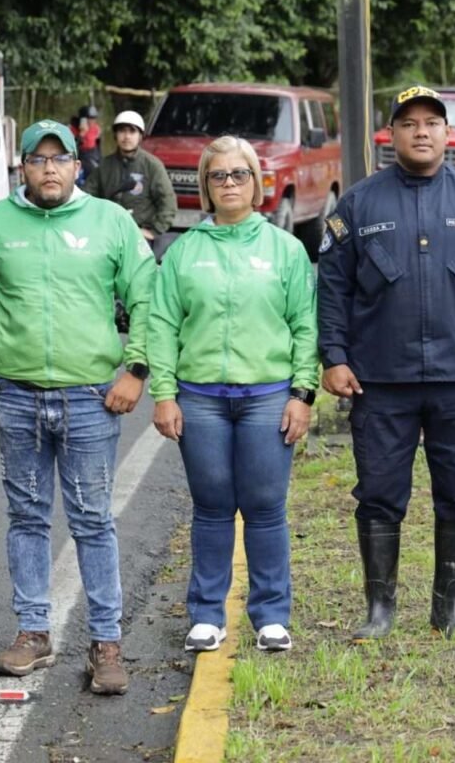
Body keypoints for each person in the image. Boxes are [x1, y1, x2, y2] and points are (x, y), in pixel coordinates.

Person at [316, 85, 455, 643]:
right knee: (379, 495)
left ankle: (450, 611)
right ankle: (379, 612)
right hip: (380, 381)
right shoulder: (358, 204)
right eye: (408, 123)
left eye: (431, 122)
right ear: (391, 134)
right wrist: (333, 356)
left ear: (446, 132)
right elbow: (333, 287)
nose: (421, 132)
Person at [0, 119, 155, 695]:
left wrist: (137, 370)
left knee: (93, 519)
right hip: (16, 395)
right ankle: (33, 632)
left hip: (91, 396)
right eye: (38, 159)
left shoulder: (112, 222)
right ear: (22, 167)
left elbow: (147, 296)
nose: (49, 169)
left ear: (77, 165)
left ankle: (105, 643)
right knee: (27, 516)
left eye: (60, 159)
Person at [148, 136, 317, 654]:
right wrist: (164, 393)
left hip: (268, 397)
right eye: (217, 175)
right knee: (212, 506)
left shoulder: (285, 249)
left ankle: (271, 616)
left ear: (256, 182)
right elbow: (161, 325)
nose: (228, 183)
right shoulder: (184, 251)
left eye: (239, 174)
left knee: (265, 507)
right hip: (200, 400)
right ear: (205, 185)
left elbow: (305, 326)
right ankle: (206, 615)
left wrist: (302, 394)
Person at [85, 110, 177, 258]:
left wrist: (154, 231)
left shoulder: (152, 165)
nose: (127, 136)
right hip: (108, 234)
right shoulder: (104, 166)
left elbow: (168, 201)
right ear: (115, 135)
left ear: (140, 135)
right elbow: (86, 198)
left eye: (132, 131)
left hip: (140, 236)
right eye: (122, 131)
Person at [74, 105, 102, 182]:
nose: (93, 121)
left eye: (94, 118)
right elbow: (72, 148)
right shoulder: (73, 129)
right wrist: (81, 134)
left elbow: (98, 147)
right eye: (90, 118)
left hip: (92, 156)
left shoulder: (96, 129)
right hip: (79, 157)